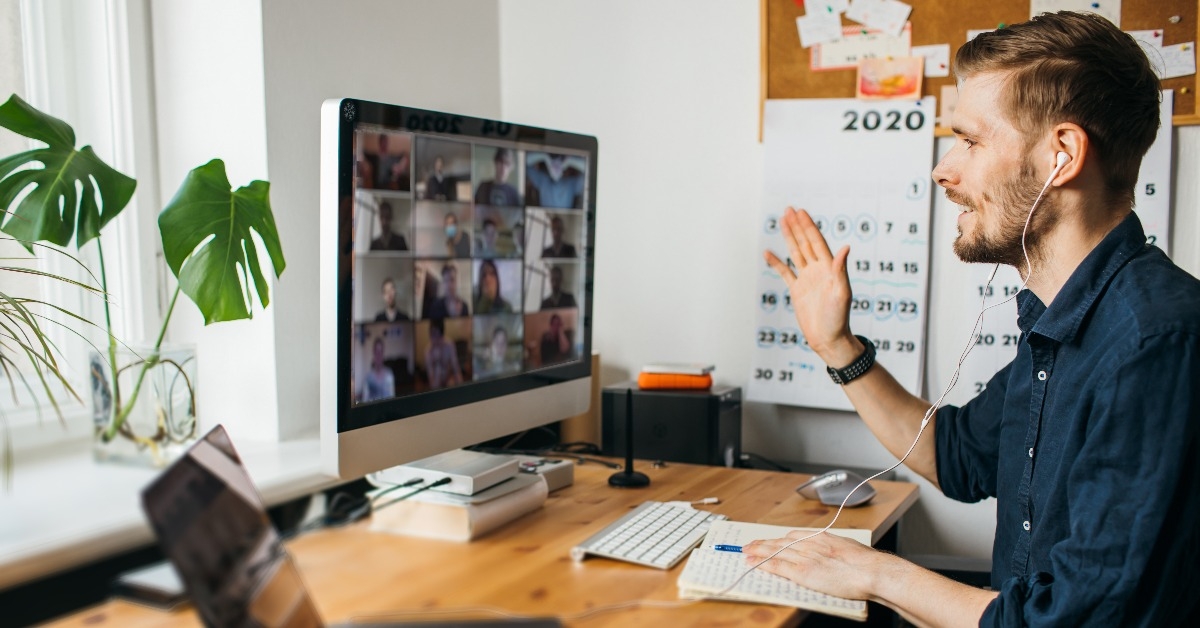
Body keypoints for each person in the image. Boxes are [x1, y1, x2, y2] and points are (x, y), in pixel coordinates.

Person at [750, 12, 1200, 626]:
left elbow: (1067, 621)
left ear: (1062, 155)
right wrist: (837, 345)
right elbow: (956, 456)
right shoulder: (1063, 319)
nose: (945, 170)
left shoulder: (1155, 342)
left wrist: (875, 572)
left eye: (970, 140)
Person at [425, 318, 463, 389]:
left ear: (442, 335)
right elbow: (431, 380)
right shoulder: (428, 352)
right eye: (433, 335)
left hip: (449, 380)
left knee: (451, 383)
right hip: (436, 384)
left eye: (437, 335)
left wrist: (461, 388)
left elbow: (456, 369)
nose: (435, 339)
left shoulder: (449, 345)